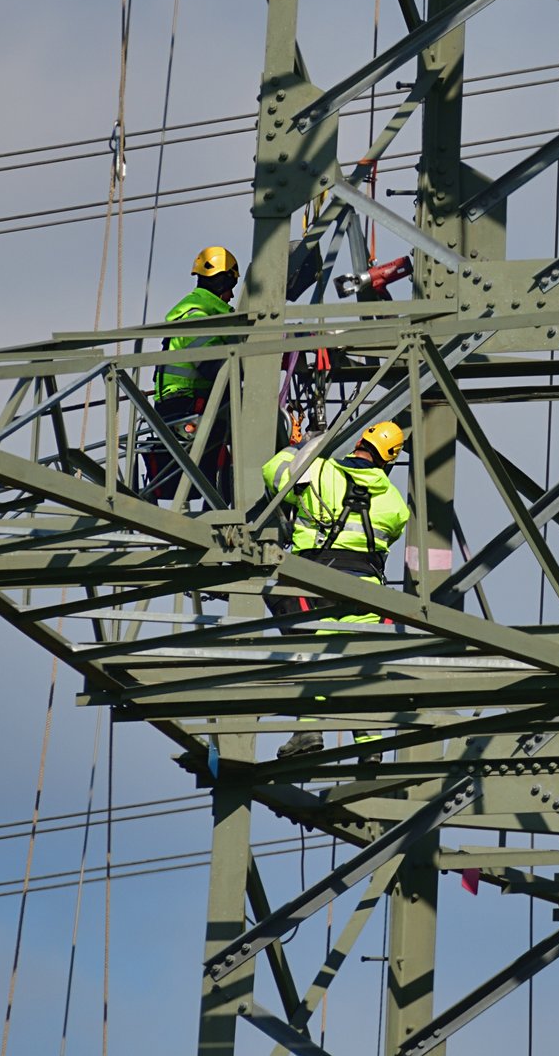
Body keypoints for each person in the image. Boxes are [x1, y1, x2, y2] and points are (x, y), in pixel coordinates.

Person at [262, 422, 411, 757]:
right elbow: (391, 531)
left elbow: (273, 472)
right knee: (364, 663)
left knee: (311, 654)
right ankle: (371, 744)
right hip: (368, 593)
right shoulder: (394, 503)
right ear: (389, 460)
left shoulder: (317, 472)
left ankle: (309, 730)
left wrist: (303, 447)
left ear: (358, 442)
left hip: (312, 582)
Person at [149, 247, 239, 500]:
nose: (231, 296)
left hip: (182, 405)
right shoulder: (196, 317)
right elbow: (214, 366)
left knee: (211, 480)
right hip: (187, 406)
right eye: (231, 286)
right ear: (223, 281)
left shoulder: (197, 314)